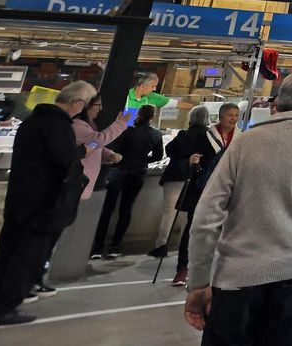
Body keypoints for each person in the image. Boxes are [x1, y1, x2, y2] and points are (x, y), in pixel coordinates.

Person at [184, 72, 292, 345]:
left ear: (280, 101)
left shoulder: (246, 141)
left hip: (236, 277)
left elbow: (206, 217)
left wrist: (199, 282)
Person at [0, 81, 88, 326]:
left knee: (10, 253)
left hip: (21, 199)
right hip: (42, 205)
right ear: (77, 103)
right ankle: (3, 307)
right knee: (26, 256)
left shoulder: (33, 121)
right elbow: (64, 162)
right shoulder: (58, 126)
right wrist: (81, 155)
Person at [167, 103, 236, 284]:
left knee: (225, 231)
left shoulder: (240, 137)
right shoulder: (205, 135)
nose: (234, 119)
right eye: (230, 115)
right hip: (201, 187)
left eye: (236, 115)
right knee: (193, 227)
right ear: (220, 116)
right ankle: (183, 268)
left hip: (227, 190)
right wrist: (191, 161)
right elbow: (175, 152)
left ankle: (219, 270)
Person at [92, 103, 163, 258]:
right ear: (152, 117)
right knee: (126, 209)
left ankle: (97, 247)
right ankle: (115, 247)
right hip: (138, 173)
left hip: (118, 169)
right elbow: (158, 156)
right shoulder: (156, 135)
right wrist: (143, 159)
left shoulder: (127, 130)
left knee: (107, 209)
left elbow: (114, 147)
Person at [151, 104, 210, 259]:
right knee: (188, 214)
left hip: (175, 176)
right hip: (195, 179)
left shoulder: (183, 134)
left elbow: (169, 150)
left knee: (169, 213)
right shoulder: (209, 137)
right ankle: (182, 246)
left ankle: (161, 245)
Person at [71, 92, 130, 200]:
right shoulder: (77, 125)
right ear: (87, 106)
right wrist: (120, 123)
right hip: (73, 184)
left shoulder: (88, 127)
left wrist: (108, 155)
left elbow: (92, 146)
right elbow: (98, 140)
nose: (101, 108)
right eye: (98, 105)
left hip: (80, 184)